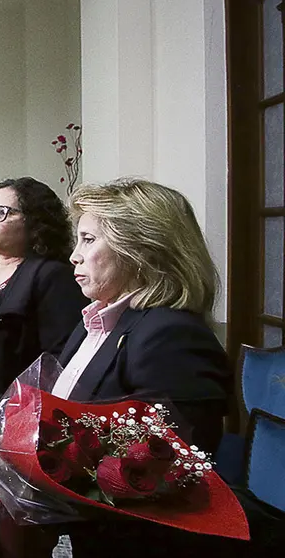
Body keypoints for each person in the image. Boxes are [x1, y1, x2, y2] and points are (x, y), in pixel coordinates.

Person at [49, 179, 231, 558]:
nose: (73, 256)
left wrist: (47, 462)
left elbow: (164, 471)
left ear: (139, 251)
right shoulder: (99, 319)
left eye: (88, 239)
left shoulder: (171, 334)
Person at [0, 177, 88, 558]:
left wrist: (2, 416)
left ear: (35, 222)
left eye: (1, 212)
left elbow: (62, 360)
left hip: (18, 427)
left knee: (17, 534)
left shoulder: (49, 276)